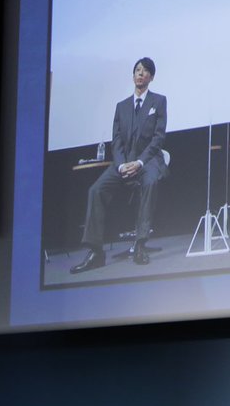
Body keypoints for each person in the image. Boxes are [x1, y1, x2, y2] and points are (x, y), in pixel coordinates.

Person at [70, 57, 169, 273]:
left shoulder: (159, 102)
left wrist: (140, 162)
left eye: (144, 71)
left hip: (147, 160)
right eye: (137, 70)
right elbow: (116, 141)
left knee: (150, 182)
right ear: (133, 75)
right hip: (123, 163)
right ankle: (96, 251)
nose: (140, 73)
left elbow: (158, 138)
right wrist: (122, 165)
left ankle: (140, 244)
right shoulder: (121, 106)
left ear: (151, 77)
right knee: (96, 190)